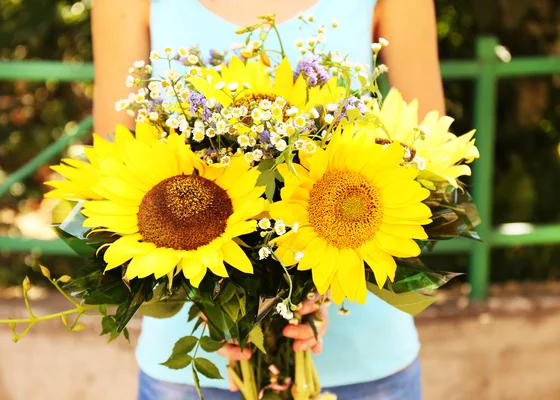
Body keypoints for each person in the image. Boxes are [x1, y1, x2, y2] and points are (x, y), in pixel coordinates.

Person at [91, 1, 444, 399]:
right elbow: (113, 172)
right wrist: (211, 300)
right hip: (195, 379)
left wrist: (323, 287)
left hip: (366, 365)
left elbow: (426, 157)